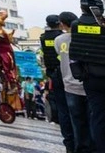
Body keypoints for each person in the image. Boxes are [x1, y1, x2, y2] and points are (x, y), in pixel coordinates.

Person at [69, 0, 105, 152]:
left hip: (90, 77)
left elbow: (74, 54)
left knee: (98, 116)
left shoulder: (75, 25)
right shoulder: (103, 24)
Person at [55, 11, 93, 153]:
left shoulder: (59, 40)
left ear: (62, 24)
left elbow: (59, 55)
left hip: (70, 86)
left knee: (77, 121)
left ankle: (80, 148)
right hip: (89, 84)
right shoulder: (86, 36)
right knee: (93, 120)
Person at [41, 14, 74, 150]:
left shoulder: (43, 38)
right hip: (67, 72)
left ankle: (69, 143)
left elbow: (45, 56)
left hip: (53, 75)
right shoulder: (63, 37)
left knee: (63, 110)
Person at [0, 11, 23, 114]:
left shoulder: (2, 32)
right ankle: (3, 78)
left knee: (8, 69)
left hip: (6, 52)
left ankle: (14, 86)